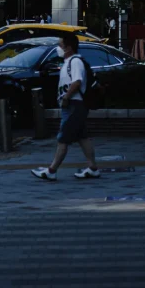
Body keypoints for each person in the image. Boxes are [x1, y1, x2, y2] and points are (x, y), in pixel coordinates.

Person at [31, 32, 100, 182]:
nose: (58, 48)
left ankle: (51, 170)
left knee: (63, 138)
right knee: (83, 137)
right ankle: (93, 167)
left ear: (68, 47)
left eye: (60, 45)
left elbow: (77, 82)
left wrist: (66, 97)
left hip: (74, 104)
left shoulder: (75, 62)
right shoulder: (68, 62)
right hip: (74, 105)